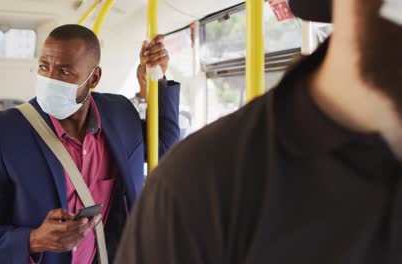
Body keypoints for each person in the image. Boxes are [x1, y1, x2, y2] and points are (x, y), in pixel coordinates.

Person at [115, 0, 402, 263]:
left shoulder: (122, 121)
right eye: (66, 71)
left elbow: (162, 142)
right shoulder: (204, 187)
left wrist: (158, 81)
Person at [0, 24, 180, 264]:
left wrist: (156, 77)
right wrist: (34, 240)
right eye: (44, 67)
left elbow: (165, 149)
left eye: (64, 73)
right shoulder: (2, 132)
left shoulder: (119, 113)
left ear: (94, 77)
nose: (50, 79)